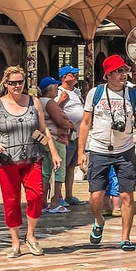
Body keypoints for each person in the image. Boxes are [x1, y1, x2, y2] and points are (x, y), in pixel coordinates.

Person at [0, 66, 62, 257]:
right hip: (6, 160)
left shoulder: (33, 102)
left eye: (20, 82)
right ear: (5, 84)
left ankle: (31, 235)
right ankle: (15, 241)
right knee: (11, 200)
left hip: (32, 157)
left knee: (36, 195)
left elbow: (41, 131)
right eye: (12, 83)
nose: (17, 86)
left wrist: (53, 152)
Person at [78, 54, 136, 252]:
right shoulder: (95, 94)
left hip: (125, 150)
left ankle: (125, 238)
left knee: (127, 195)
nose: (123, 74)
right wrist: (81, 152)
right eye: (118, 71)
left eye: (125, 70)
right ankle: (98, 220)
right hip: (99, 149)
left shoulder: (133, 95)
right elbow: (85, 124)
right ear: (108, 75)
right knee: (95, 196)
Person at [37, 77, 77, 214]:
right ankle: (54, 203)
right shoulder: (49, 102)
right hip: (55, 138)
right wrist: (71, 125)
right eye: (55, 87)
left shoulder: (38, 102)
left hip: (43, 139)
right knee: (59, 171)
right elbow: (60, 121)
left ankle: (42, 204)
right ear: (50, 89)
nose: (58, 90)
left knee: (45, 171)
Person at [54, 66, 87, 206]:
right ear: (64, 77)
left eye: (75, 74)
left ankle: (69, 194)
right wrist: (61, 101)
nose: (75, 77)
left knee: (71, 166)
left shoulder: (77, 92)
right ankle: (58, 196)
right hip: (65, 135)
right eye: (71, 75)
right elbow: (53, 109)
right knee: (62, 167)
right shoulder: (59, 92)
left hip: (77, 134)